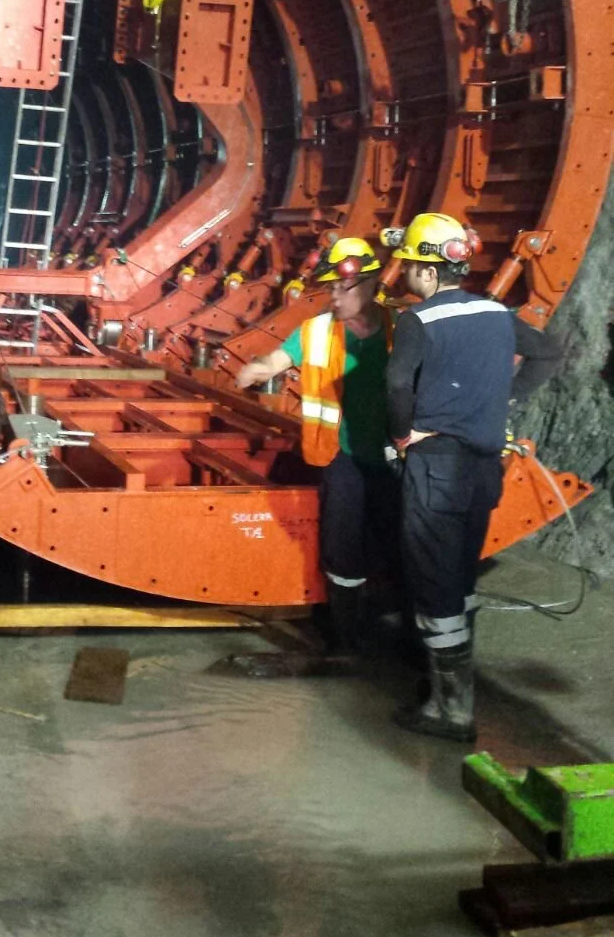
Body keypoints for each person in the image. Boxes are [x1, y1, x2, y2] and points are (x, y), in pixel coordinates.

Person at [384, 212, 563, 743]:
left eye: (411, 265)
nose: (408, 275)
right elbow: (549, 353)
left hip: (436, 466)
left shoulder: (420, 321)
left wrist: (401, 437)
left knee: (434, 584)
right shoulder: (496, 312)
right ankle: (454, 692)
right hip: (484, 469)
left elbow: (397, 385)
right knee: (460, 579)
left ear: (428, 270)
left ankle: (452, 711)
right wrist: (504, 398)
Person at [235, 237, 398, 649]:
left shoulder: (400, 329)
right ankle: (345, 638)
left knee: (397, 541)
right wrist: (256, 368)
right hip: (341, 458)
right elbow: (279, 360)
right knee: (341, 546)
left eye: (346, 287)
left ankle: (395, 625)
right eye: (332, 289)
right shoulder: (317, 330)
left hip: (395, 458)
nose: (337, 296)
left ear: (372, 284)